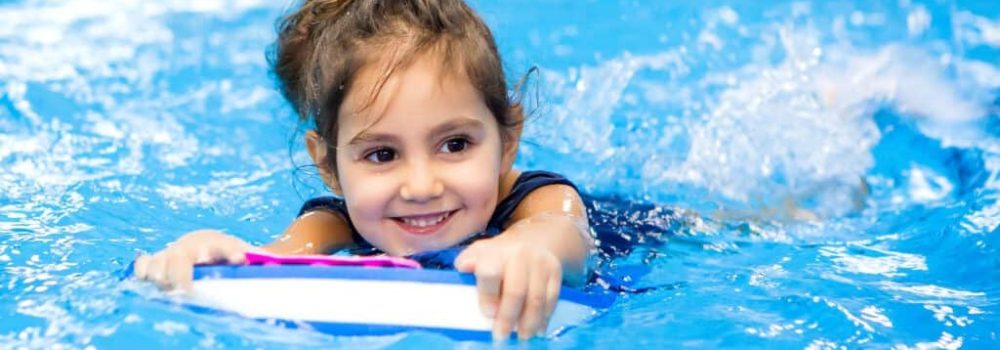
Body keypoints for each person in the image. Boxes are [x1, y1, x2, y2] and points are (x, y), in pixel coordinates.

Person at [133, 0, 594, 341]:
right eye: (382, 155)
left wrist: (525, 250)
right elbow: (278, 256)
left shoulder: (538, 198)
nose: (421, 187)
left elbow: (561, 232)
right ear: (329, 165)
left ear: (507, 140)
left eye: (455, 144)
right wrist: (211, 254)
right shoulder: (335, 220)